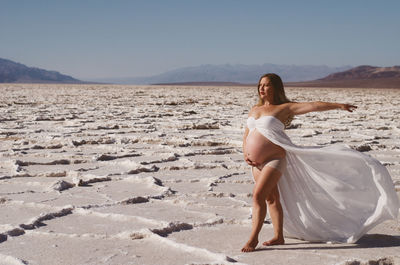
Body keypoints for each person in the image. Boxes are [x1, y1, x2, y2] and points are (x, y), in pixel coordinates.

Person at [241, 73, 399, 252]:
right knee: (272, 198)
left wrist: (338, 105)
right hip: (255, 163)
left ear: (276, 88)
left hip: (274, 159)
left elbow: (313, 106)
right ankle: (279, 236)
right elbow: (247, 133)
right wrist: (244, 151)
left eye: (267, 85)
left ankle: (253, 238)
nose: (262, 88)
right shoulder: (254, 109)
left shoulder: (284, 108)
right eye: (260, 85)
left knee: (258, 196)